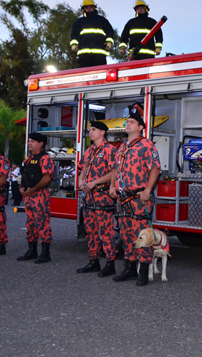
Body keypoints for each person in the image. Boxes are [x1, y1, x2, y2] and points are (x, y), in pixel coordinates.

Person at [109, 103, 161, 286]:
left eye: (132, 122)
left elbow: (155, 168)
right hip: (123, 198)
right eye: (127, 121)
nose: (128, 124)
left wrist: (147, 191)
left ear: (140, 127)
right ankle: (130, 269)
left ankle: (144, 271)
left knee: (142, 235)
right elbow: (115, 168)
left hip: (139, 198)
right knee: (126, 234)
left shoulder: (147, 145)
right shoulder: (122, 147)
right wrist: (112, 186)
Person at [76, 121, 117, 276]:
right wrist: (81, 180)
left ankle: (110, 263)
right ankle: (93, 261)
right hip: (89, 198)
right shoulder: (89, 151)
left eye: (93, 129)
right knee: (91, 231)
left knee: (106, 232)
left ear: (102, 132)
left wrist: (94, 182)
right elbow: (83, 168)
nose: (90, 132)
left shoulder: (110, 150)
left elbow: (114, 172)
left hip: (102, 196)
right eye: (90, 129)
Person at [17, 133, 54, 264]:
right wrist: (21, 187)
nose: (29, 143)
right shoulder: (28, 159)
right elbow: (22, 175)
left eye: (32, 141)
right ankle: (32, 250)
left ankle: (45, 253)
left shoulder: (44, 158)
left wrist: (33, 189)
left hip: (39, 195)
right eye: (29, 141)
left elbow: (47, 177)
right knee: (30, 224)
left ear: (40, 143)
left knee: (42, 223)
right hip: (28, 195)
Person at [70, 0, 114, 68]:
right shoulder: (79, 22)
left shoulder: (101, 20)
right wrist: (74, 44)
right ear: (84, 9)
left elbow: (110, 31)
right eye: (87, 7)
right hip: (84, 55)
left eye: (90, 7)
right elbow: (74, 33)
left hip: (99, 54)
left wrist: (109, 41)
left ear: (94, 8)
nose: (89, 9)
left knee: (100, 75)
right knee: (84, 76)